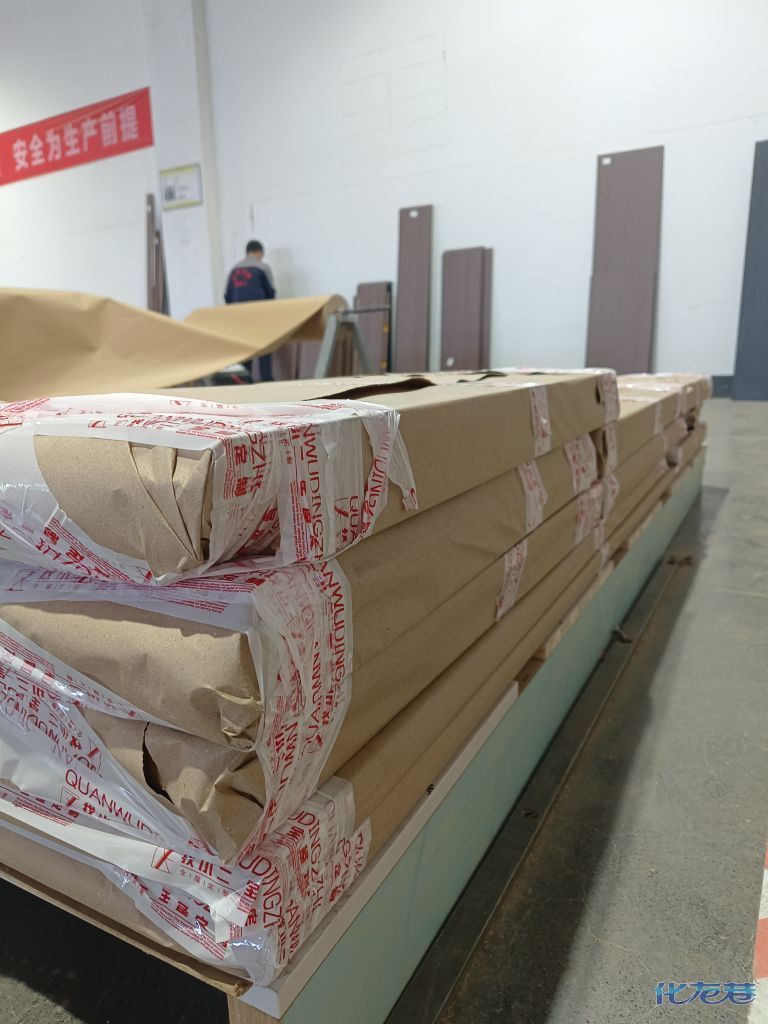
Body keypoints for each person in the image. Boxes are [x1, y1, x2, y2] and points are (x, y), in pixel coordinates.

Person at [224, 240, 276, 381]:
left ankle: (244, 382)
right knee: (264, 352)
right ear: (259, 252)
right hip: (261, 317)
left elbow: (227, 296)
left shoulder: (234, 270)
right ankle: (266, 383)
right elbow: (271, 293)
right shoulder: (263, 267)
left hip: (239, 319)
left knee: (245, 354)